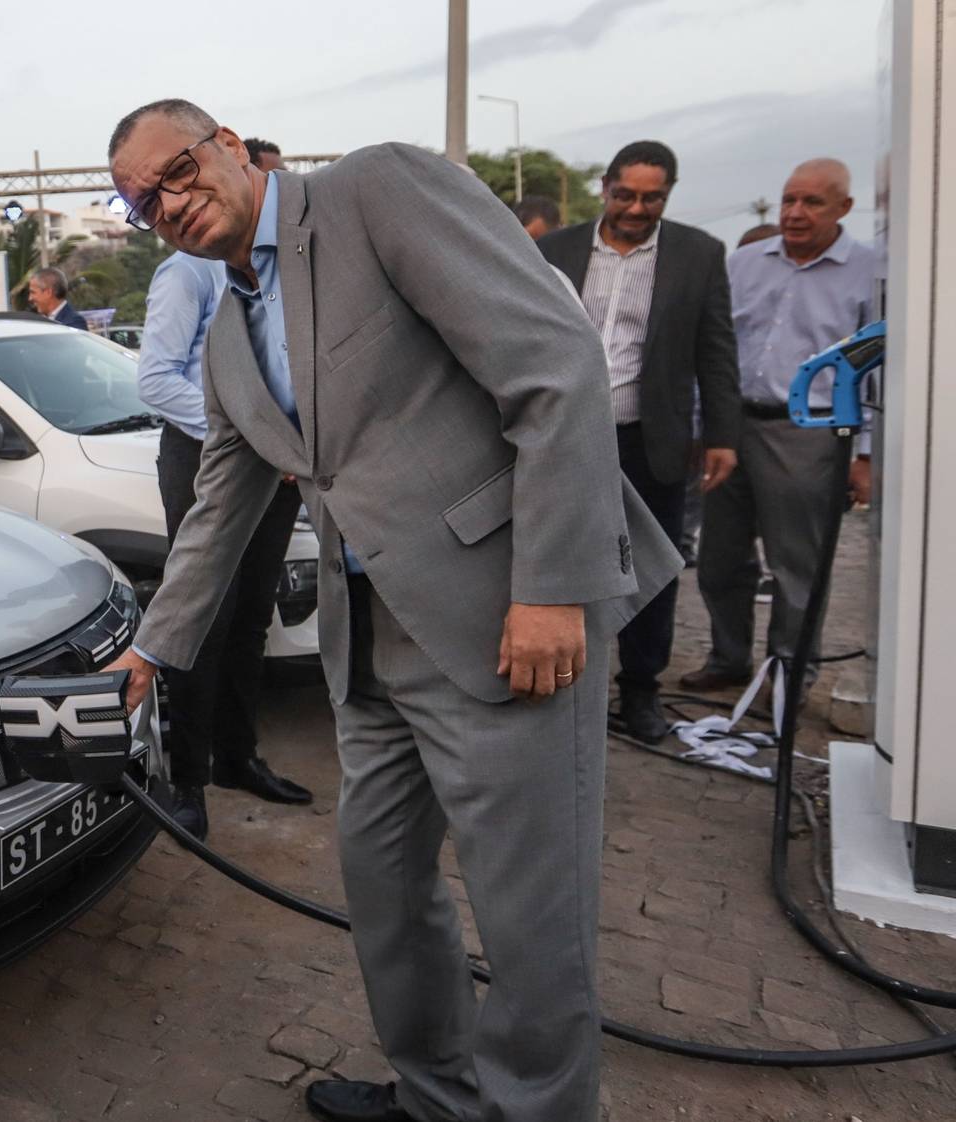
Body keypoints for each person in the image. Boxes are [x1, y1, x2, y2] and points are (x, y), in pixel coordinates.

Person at [104, 99, 677, 1122]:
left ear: (229, 145)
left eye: (178, 172)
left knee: (529, 920)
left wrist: (551, 588)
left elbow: (554, 368)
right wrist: (153, 648)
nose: (169, 204)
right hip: (362, 643)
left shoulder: (375, 192)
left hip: (503, 622)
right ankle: (434, 1096)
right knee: (380, 887)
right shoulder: (228, 330)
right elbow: (219, 506)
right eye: (143, 200)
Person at [537, 141, 740, 743]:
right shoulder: (556, 249)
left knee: (649, 570)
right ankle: (567, 688)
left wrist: (723, 436)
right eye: (626, 194)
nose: (636, 207)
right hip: (564, 439)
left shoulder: (699, 254)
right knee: (561, 561)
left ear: (668, 194)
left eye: (652, 197)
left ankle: (642, 692)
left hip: (652, 440)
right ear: (605, 187)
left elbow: (717, 347)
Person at [682, 159, 881, 695]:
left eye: (812, 202)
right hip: (733, 431)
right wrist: (702, 427)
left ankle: (789, 680)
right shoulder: (744, 262)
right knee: (719, 561)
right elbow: (714, 347)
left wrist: (865, 456)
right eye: (790, 199)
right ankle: (728, 660)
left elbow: (879, 372)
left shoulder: (870, 270)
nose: (795, 212)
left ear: (844, 207)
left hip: (809, 436)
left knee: (797, 570)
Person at [137, 247, 313, 836]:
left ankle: (238, 758)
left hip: (281, 459)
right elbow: (157, 379)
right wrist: (254, 432)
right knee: (202, 619)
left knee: (252, 616)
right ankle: (189, 782)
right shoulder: (187, 272)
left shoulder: (283, 270)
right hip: (207, 454)